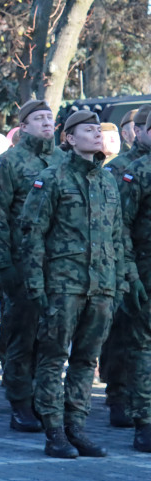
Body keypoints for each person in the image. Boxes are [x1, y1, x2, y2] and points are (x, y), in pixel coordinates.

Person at [19, 110, 127, 459]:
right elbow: (32, 234)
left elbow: (117, 237)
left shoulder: (107, 181)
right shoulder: (52, 178)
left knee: (86, 359)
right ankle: (54, 431)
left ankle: (76, 427)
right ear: (69, 138)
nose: (97, 134)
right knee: (52, 358)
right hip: (63, 286)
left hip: (101, 286)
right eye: (87, 129)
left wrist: (120, 281)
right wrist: (36, 284)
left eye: (99, 129)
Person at [0, 99, 60, 434]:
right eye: (38, 118)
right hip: (20, 263)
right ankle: (20, 402)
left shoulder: (63, 161)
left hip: (57, 267)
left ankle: (45, 400)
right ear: (24, 126)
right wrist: (3, 266)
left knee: (51, 337)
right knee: (21, 336)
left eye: (49, 117)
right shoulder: (10, 162)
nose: (46, 123)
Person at [100, 104, 151, 427]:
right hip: (134, 267)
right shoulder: (123, 169)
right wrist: (125, 271)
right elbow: (119, 225)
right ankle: (120, 396)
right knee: (124, 337)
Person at [117, 117, 151, 452]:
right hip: (145, 271)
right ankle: (144, 421)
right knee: (143, 349)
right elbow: (121, 228)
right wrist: (130, 274)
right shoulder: (138, 171)